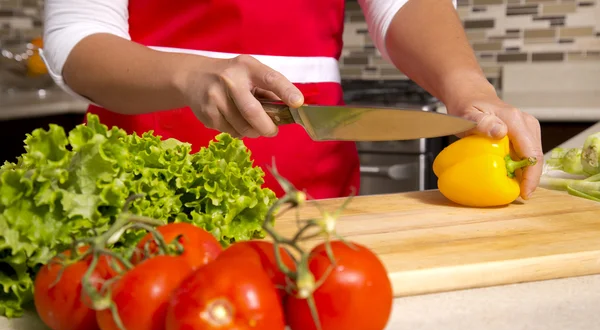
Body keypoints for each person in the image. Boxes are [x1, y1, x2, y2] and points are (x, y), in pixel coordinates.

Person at [41, 0, 543, 200]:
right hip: (141, 186)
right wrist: (189, 74)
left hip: (312, 190)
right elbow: (75, 35)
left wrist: (468, 88)